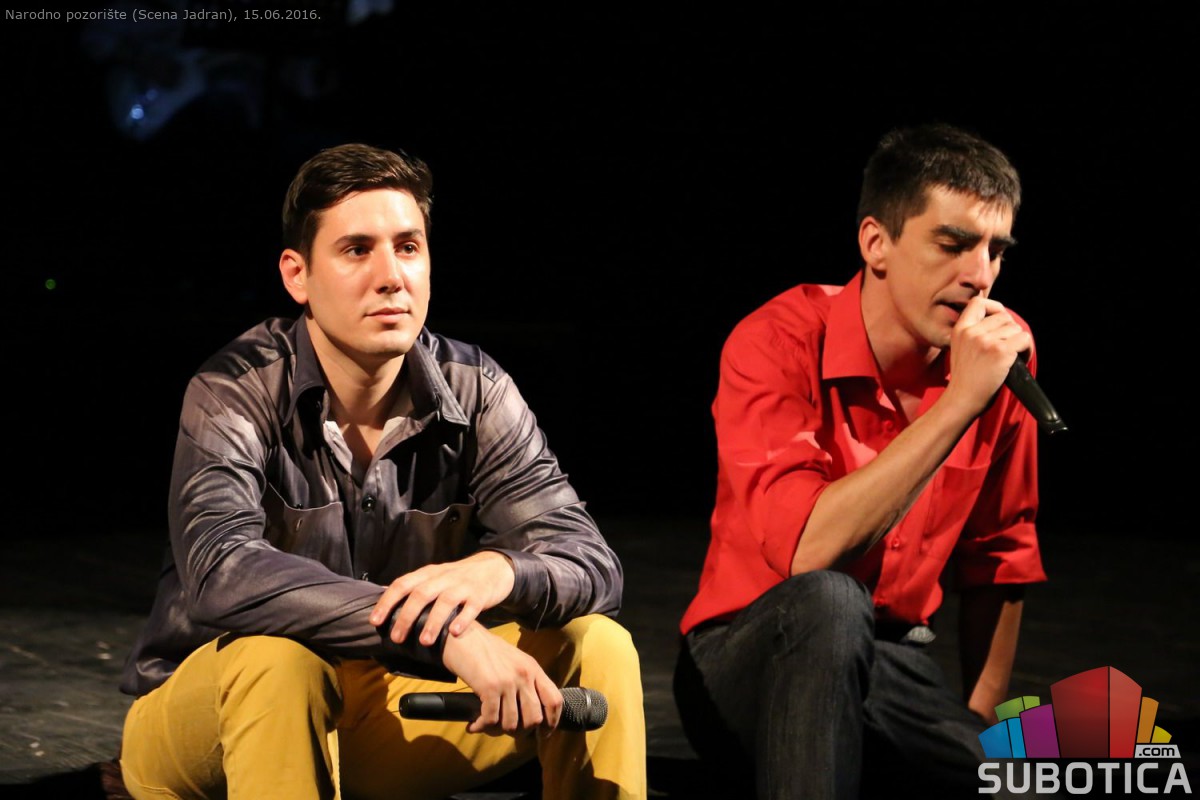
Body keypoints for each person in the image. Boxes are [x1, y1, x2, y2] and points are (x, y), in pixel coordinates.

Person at [117, 142, 646, 800]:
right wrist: (440, 632)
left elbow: (591, 563)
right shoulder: (235, 387)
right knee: (278, 659)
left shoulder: (476, 388)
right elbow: (221, 572)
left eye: (408, 247)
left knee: (596, 644)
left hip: (382, 711)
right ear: (298, 276)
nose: (392, 277)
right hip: (215, 721)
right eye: (357, 250)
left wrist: (500, 570)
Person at [673, 123, 1047, 799]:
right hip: (748, 658)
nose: (980, 275)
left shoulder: (1000, 357)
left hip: (893, 665)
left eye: (995, 251)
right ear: (876, 243)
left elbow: (1001, 552)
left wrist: (981, 724)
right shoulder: (776, 343)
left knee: (1029, 779)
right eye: (953, 244)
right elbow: (812, 551)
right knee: (831, 600)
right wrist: (958, 404)